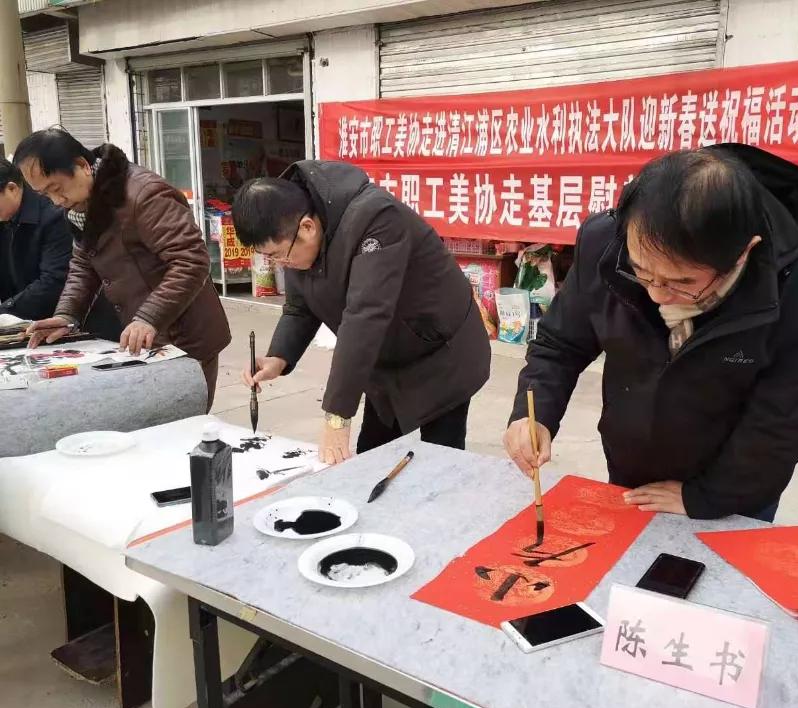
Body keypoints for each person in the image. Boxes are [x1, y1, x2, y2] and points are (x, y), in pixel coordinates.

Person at [504, 145, 798, 521]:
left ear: (743, 253)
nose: (656, 294)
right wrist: (534, 412)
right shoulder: (606, 244)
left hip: (734, 489)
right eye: (642, 272)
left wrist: (707, 497)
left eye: (682, 283)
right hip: (631, 466)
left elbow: (786, 420)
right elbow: (561, 343)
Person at [232, 162, 491, 464]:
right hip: (385, 360)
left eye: (279, 256)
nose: (280, 265)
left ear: (308, 227)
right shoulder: (294, 236)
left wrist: (337, 417)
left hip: (440, 352)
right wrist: (278, 357)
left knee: (439, 461)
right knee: (372, 458)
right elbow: (300, 306)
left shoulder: (376, 219)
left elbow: (365, 315)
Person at [15, 128, 230, 409]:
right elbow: (83, 264)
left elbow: (191, 260)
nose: (56, 201)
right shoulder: (81, 203)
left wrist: (149, 317)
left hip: (184, 335)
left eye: (56, 189)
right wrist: (67, 314)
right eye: (45, 194)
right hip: (143, 337)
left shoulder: (145, 195)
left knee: (184, 421)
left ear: (82, 165)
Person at [0, 158, 72, 320]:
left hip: (56, 319)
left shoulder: (53, 215)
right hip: (18, 319)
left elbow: (54, 281)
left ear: (12, 188)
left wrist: (5, 310)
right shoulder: (5, 216)